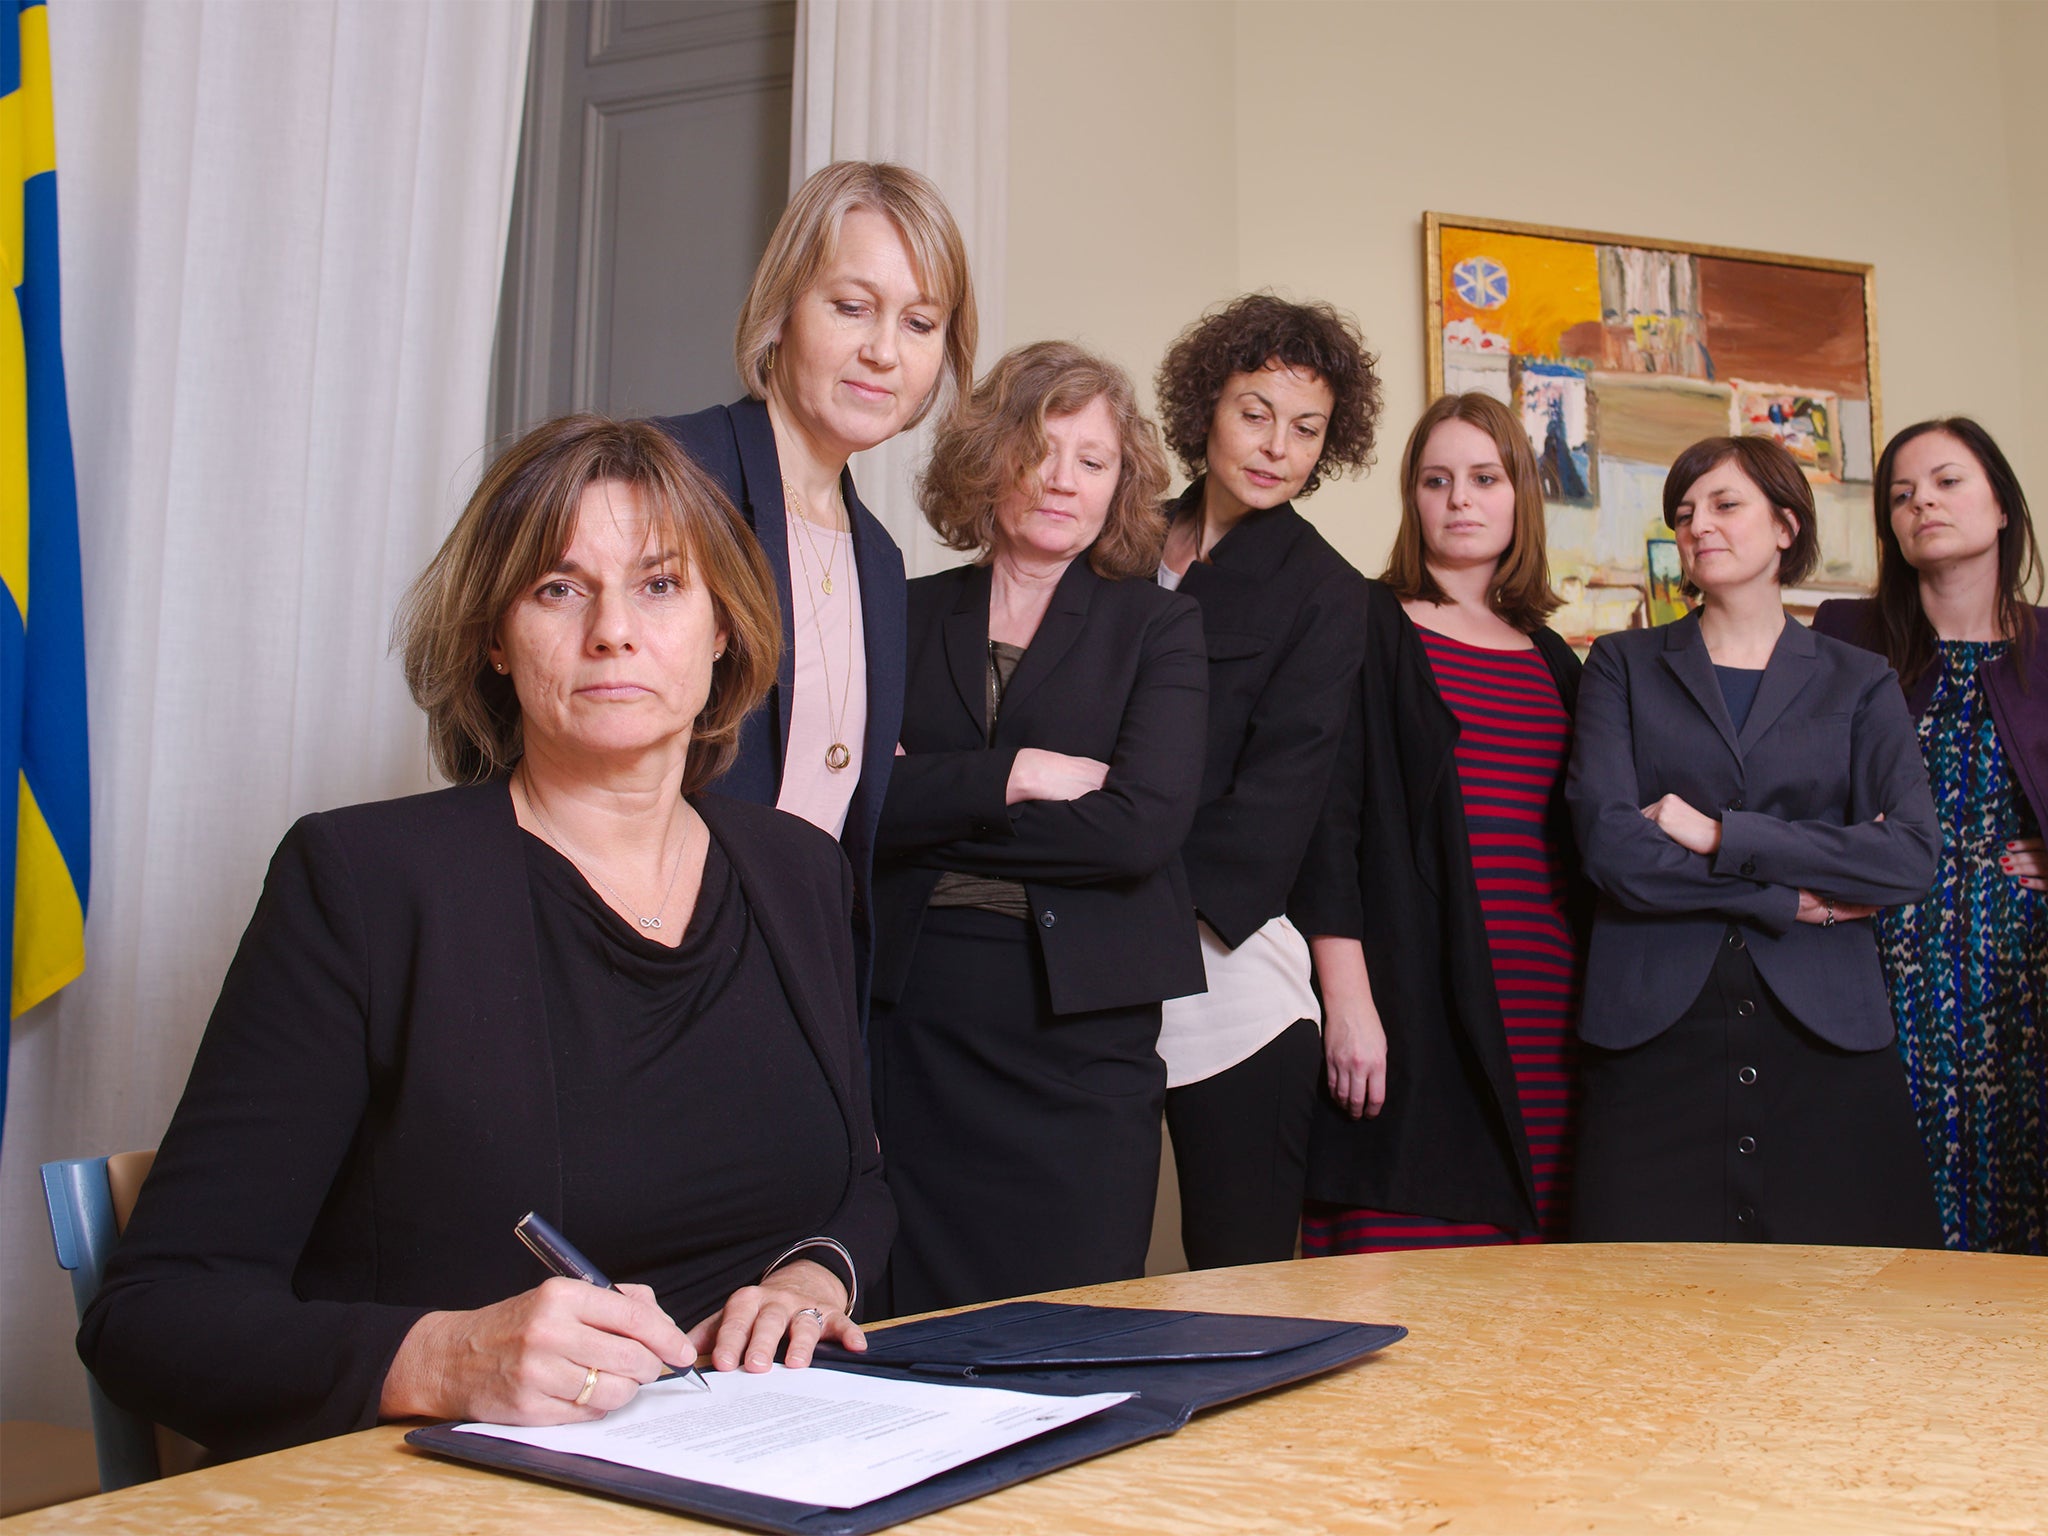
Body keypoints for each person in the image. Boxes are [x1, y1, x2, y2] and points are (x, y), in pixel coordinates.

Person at [78, 417, 893, 1461]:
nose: (612, 631)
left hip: (781, 1455)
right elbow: (150, 1317)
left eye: (658, 584)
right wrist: (447, 1357)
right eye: (559, 587)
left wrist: (811, 1274)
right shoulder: (365, 885)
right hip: (470, 1493)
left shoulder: (795, 870)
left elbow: (858, 1182)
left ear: (723, 627)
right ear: (494, 639)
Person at [868, 341, 1207, 1313]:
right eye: (1038, 448)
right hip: (917, 1016)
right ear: (989, 458)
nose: (1061, 480)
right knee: (910, 1328)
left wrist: (934, 796)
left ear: (1119, 484)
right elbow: (853, 810)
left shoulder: (1157, 626)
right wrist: (1017, 775)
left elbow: (1138, 831)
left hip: (1079, 1028)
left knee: (1080, 1316)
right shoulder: (898, 612)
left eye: (1091, 460)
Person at [1567, 434, 1941, 1246]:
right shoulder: (1621, 666)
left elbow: (1909, 855)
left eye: (1724, 504)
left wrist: (1719, 832)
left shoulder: (1860, 677)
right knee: (1638, 1313)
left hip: (1826, 1032)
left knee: (1849, 1308)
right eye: (1684, 512)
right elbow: (1612, 849)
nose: (1698, 524)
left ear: (1785, 525)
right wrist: (1787, 896)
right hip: (1652, 1026)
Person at [653, 160, 978, 1006]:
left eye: (918, 322)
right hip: (652, 964)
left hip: (800, 977)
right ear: (783, 308)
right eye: (851, 307)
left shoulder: (878, 558)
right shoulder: (672, 474)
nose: (883, 351)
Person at [1292, 393, 1587, 1252]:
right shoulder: (1366, 626)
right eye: (1436, 479)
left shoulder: (1555, 658)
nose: (1460, 499)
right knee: (1410, 1297)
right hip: (1412, 1010)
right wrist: (1348, 1003)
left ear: (1519, 496)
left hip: (1549, 1019)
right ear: (1412, 499)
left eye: (1484, 478)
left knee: (1542, 1322)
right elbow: (1326, 831)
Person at [1147, 294, 1377, 1268]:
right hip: (1084, 946)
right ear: (1205, 405)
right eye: (1254, 412)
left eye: (1305, 428)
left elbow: (1286, 799)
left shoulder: (1325, 591)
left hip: (1228, 964)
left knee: (1235, 1271)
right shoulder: (1119, 541)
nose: (1276, 445)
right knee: (1088, 1254)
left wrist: (1126, 897)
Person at [1813, 417, 2047, 1253]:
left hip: (2021, 966)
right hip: (1877, 950)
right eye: (1903, 495)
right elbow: (1792, 782)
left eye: (1947, 482)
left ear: (2002, 507)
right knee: (1884, 1211)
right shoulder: (1845, 635)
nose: (1924, 504)